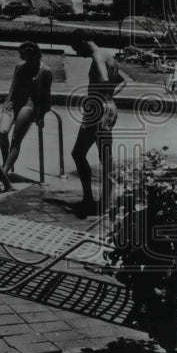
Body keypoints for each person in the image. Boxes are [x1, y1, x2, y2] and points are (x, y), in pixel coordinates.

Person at [69, 28, 125, 215]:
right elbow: (122, 81)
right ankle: (105, 201)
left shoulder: (97, 56)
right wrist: (109, 97)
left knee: (78, 153)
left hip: (98, 111)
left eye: (77, 49)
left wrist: (98, 99)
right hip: (108, 108)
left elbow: (104, 78)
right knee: (105, 157)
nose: (79, 54)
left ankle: (89, 199)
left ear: (84, 41)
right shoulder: (109, 55)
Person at [0, 41, 54, 191]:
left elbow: (46, 96)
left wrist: (41, 115)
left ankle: (4, 171)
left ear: (35, 54)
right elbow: (12, 87)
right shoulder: (20, 66)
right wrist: (7, 104)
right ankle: (6, 165)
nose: (23, 58)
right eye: (22, 55)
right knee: (3, 132)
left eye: (27, 55)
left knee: (16, 139)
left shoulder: (46, 71)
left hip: (29, 104)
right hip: (14, 102)